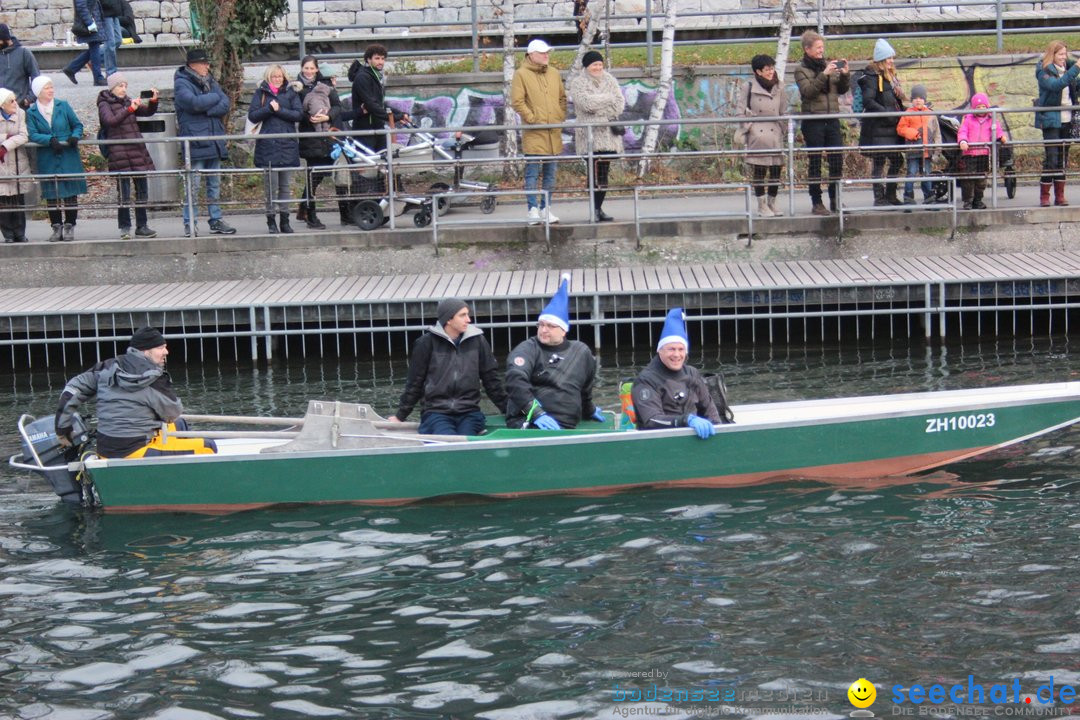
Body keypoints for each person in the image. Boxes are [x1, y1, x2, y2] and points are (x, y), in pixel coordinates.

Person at [54, 326, 216, 459]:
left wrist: (62, 429)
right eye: (161, 348)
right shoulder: (155, 380)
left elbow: (72, 390)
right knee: (208, 447)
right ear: (146, 351)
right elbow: (172, 412)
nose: (166, 352)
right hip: (134, 452)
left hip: (105, 450)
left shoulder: (106, 367)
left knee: (179, 424)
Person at [388, 298, 508, 435]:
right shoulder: (425, 343)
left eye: (467, 314)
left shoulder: (478, 341)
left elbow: (492, 381)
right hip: (436, 412)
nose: (468, 320)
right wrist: (400, 416)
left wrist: (509, 410)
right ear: (449, 320)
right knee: (446, 437)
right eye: (462, 315)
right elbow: (415, 383)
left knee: (466, 438)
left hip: (469, 412)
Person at [504, 274, 603, 430]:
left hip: (567, 423)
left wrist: (589, 410)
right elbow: (515, 380)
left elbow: (585, 389)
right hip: (530, 420)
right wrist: (536, 413)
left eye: (550, 326)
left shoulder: (581, 352)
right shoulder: (527, 349)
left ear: (563, 330)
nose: (544, 330)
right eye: (541, 325)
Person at [631, 308, 722, 439]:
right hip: (660, 442)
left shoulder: (692, 373)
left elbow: (708, 408)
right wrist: (685, 420)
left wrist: (718, 432)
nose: (676, 355)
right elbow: (652, 420)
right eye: (671, 349)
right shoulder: (646, 380)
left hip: (695, 439)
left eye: (681, 349)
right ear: (660, 351)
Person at [174, 48, 236, 236]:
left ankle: (215, 220)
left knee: (214, 185)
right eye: (204, 63)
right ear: (193, 65)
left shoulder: (210, 81)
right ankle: (190, 223)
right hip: (196, 142)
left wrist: (206, 108)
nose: (208, 66)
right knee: (193, 186)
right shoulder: (181, 83)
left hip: (214, 140)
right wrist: (214, 99)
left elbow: (225, 103)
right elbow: (193, 103)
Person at [511, 38, 567, 225]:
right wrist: (532, 118)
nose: (546, 55)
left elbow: (562, 97)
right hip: (534, 131)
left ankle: (546, 208)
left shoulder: (554, 73)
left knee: (550, 173)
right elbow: (517, 101)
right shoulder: (521, 74)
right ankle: (532, 209)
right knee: (532, 172)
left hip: (553, 130)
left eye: (547, 52)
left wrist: (559, 115)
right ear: (531, 55)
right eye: (542, 53)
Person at [25, 76, 87, 243]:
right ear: (38, 92)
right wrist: (49, 140)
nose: (51, 90)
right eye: (47, 88)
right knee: (51, 193)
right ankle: (56, 226)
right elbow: (32, 133)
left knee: (70, 191)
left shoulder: (63, 105)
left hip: (67, 153)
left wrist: (74, 136)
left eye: (51, 87)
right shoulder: (31, 112)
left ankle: (69, 225)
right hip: (48, 155)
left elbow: (77, 124)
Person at [97, 72, 159, 239]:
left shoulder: (126, 100)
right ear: (112, 88)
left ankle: (142, 225)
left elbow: (147, 113)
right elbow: (110, 121)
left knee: (142, 190)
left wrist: (153, 102)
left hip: (136, 150)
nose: (124, 89)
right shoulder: (104, 103)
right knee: (123, 192)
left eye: (125, 86)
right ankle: (125, 227)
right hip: (119, 153)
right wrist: (129, 109)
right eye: (120, 86)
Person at [794, 30, 848, 216]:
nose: (821, 51)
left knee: (836, 161)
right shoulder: (801, 69)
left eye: (822, 48)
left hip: (831, 119)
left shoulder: (828, 66)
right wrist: (824, 74)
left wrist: (845, 75)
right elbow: (808, 92)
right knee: (815, 162)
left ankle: (835, 199)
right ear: (807, 49)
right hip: (813, 121)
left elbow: (841, 89)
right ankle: (816, 202)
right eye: (818, 48)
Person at [568, 50, 624, 223]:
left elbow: (619, 105)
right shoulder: (578, 83)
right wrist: (607, 99)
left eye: (600, 64)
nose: (598, 67)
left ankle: (598, 209)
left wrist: (598, 105)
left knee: (604, 174)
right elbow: (585, 104)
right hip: (589, 137)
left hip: (608, 136)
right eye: (594, 65)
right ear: (587, 66)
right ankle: (594, 209)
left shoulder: (610, 80)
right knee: (594, 174)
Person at [249, 64, 302, 234]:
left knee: (285, 186)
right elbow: (253, 115)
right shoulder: (261, 93)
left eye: (280, 76)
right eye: (274, 77)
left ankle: (285, 220)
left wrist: (278, 111)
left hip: (287, 144)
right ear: (268, 78)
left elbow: (298, 114)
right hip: (268, 145)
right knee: (271, 187)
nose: (278, 79)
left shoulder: (291, 92)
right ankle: (271, 220)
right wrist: (269, 109)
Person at [295, 55, 343, 230]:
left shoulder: (325, 85)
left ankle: (303, 207)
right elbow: (296, 110)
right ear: (302, 68)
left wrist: (327, 116)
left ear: (316, 69)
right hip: (310, 135)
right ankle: (311, 214)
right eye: (306, 68)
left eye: (311, 68)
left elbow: (338, 106)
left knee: (320, 174)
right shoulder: (296, 88)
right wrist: (310, 117)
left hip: (327, 135)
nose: (308, 71)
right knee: (313, 174)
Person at [737, 53, 787, 218]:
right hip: (757, 134)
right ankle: (761, 205)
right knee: (759, 169)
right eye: (767, 69)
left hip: (775, 133)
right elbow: (740, 111)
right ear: (758, 71)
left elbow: (783, 110)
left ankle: (772, 202)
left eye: (772, 68)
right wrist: (748, 127)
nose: (770, 72)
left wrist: (784, 129)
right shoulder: (749, 86)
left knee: (776, 169)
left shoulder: (779, 86)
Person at [858, 38, 906, 207]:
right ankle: (880, 198)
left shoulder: (890, 77)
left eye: (892, 58)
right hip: (878, 128)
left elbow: (893, 100)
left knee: (897, 160)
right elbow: (868, 101)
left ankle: (890, 195)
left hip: (891, 127)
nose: (892, 61)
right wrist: (887, 114)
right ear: (881, 59)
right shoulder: (872, 77)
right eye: (888, 58)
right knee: (879, 163)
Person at [1034, 40, 1080, 207]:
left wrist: (1074, 69)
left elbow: (1074, 86)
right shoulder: (1044, 71)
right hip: (1051, 121)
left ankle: (1060, 195)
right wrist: (1076, 69)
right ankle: (1044, 196)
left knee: (1062, 159)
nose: (1063, 57)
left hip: (1068, 121)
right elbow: (1056, 86)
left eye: (1065, 54)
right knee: (1052, 159)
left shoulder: (1068, 71)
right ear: (1052, 55)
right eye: (1060, 54)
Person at [957, 92, 1008, 211]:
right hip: (970, 154)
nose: (980, 109)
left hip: (984, 154)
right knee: (968, 179)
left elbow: (997, 131)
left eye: (983, 107)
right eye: (978, 107)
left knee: (981, 180)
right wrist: (963, 141)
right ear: (974, 108)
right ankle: (968, 201)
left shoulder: (991, 119)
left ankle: (978, 200)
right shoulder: (968, 119)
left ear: (987, 107)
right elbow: (962, 131)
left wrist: (1001, 137)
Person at [896, 84, 941, 205]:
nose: (918, 100)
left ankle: (929, 197)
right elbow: (901, 128)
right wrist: (912, 133)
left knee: (926, 174)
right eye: (915, 98)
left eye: (920, 98)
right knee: (911, 173)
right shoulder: (908, 113)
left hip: (927, 151)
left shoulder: (931, 114)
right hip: (913, 151)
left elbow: (937, 133)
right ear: (912, 100)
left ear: (924, 99)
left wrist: (937, 150)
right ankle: (908, 197)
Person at [0, 88, 29, 243]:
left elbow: (23, 136)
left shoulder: (20, 113)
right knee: (3, 199)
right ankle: (8, 234)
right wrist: (7, 136)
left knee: (18, 198)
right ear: (2, 105)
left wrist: (5, 146)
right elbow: (15, 136)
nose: (14, 103)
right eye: (10, 101)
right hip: (2, 164)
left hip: (17, 160)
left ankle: (20, 232)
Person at [63, 0, 107, 87]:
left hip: (94, 21)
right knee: (95, 49)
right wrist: (90, 23)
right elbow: (81, 6)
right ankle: (98, 78)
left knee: (94, 49)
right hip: (90, 23)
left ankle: (71, 68)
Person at [0, 24, 41, 109]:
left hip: (20, 108)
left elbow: (36, 77)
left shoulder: (24, 53)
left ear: (5, 40)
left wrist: (30, 98)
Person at [99, 0, 123, 78]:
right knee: (110, 43)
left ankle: (96, 58)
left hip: (114, 12)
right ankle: (111, 73)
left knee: (118, 40)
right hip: (105, 13)